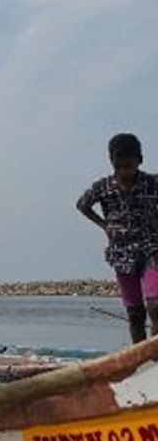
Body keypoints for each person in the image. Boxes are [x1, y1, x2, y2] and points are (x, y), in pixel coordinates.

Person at [77, 133, 158, 343]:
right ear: (112, 162)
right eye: (119, 167)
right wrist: (104, 225)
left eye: (129, 166)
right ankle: (139, 360)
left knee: (155, 305)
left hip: (152, 249)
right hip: (122, 254)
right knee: (135, 313)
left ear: (139, 161)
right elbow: (82, 205)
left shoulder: (152, 183)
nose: (124, 172)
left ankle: (156, 357)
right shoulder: (103, 187)